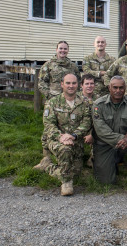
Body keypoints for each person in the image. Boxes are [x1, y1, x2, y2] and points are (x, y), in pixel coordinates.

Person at [34, 73, 91, 196]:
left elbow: (86, 123)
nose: (71, 86)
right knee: (65, 150)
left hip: (76, 140)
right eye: (68, 83)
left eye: (74, 83)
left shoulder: (84, 103)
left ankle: (47, 165)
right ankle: (66, 183)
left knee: (76, 171)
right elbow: (49, 124)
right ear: (62, 84)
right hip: (56, 140)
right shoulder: (53, 102)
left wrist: (73, 136)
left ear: (78, 85)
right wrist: (61, 137)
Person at [91, 76, 127, 193]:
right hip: (105, 144)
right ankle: (111, 161)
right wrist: (124, 138)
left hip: (126, 144)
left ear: (125, 88)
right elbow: (102, 131)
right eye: (115, 87)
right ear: (109, 88)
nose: (118, 90)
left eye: (121, 87)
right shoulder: (98, 105)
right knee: (106, 181)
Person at [36, 41, 81, 169]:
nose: (63, 51)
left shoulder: (72, 66)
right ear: (56, 50)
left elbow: (78, 81)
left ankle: (68, 152)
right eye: (61, 48)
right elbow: (41, 83)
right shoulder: (49, 65)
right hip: (53, 101)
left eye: (65, 49)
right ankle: (46, 157)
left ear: (68, 51)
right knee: (49, 127)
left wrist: (74, 97)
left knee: (69, 126)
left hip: (69, 102)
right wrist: (50, 96)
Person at [80, 74, 96, 168]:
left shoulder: (99, 99)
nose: (89, 86)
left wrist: (92, 134)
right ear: (82, 85)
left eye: (92, 83)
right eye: (87, 84)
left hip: (93, 127)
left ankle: (93, 157)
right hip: (77, 127)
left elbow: (101, 120)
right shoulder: (75, 98)